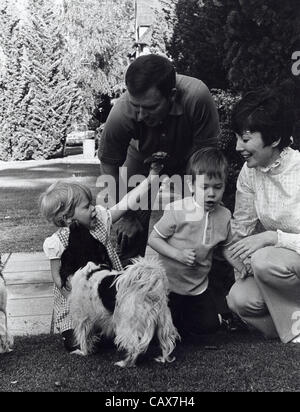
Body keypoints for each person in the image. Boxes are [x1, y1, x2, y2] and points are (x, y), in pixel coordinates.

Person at [98, 54, 220, 264]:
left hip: (189, 159)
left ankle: (207, 285)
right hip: (140, 158)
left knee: (200, 220)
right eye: (136, 107)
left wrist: (198, 201)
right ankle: (127, 283)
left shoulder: (197, 96)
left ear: (172, 95)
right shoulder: (121, 112)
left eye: (150, 107)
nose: (141, 116)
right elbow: (109, 166)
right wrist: (126, 215)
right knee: (128, 229)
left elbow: (207, 157)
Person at [40, 162, 162, 352]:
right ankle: (90, 331)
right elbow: (57, 278)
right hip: (77, 302)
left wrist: (151, 178)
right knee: (75, 342)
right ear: (67, 218)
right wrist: (76, 299)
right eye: (87, 206)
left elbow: (126, 202)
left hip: (107, 298)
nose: (94, 208)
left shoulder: (101, 222)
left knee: (118, 334)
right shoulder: (56, 243)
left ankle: (110, 329)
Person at [226, 87, 300, 344]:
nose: (238, 147)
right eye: (237, 138)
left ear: (275, 138)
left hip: (287, 263)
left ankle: (294, 330)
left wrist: (272, 237)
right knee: (240, 299)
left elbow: (267, 244)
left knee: (265, 260)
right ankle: (290, 328)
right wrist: (240, 265)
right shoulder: (250, 173)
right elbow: (242, 228)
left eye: (245, 140)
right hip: (280, 271)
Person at [148, 148, 246, 341]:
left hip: (197, 287)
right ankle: (173, 322)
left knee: (208, 327)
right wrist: (178, 254)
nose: (211, 194)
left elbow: (225, 246)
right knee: (161, 331)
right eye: (205, 187)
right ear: (191, 185)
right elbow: (154, 239)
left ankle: (188, 320)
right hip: (168, 285)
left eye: (217, 187)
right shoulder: (177, 210)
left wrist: (240, 266)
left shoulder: (224, 215)